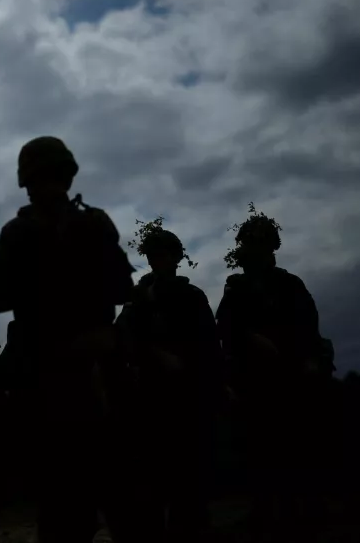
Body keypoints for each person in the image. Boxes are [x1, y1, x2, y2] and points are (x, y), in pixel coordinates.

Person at [0, 136, 135, 543]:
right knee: (76, 503)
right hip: (57, 378)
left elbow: (121, 287)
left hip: (82, 374)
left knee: (105, 500)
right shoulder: (30, 231)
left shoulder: (76, 225)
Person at [214, 207, 331, 538]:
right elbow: (225, 327)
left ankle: (305, 509)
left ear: (272, 246)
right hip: (253, 380)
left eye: (263, 242)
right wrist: (249, 339)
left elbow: (309, 326)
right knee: (258, 447)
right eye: (250, 242)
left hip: (291, 377)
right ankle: (265, 510)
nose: (256, 248)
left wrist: (306, 359)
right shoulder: (236, 287)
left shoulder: (290, 284)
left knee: (297, 445)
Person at [115, 226, 224, 542]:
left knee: (190, 472)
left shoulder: (191, 296)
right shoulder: (138, 299)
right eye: (152, 255)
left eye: (164, 254)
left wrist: (213, 385)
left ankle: (188, 525)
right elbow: (122, 338)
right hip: (149, 395)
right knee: (151, 474)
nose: (157, 260)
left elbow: (208, 343)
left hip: (189, 393)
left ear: (177, 257)